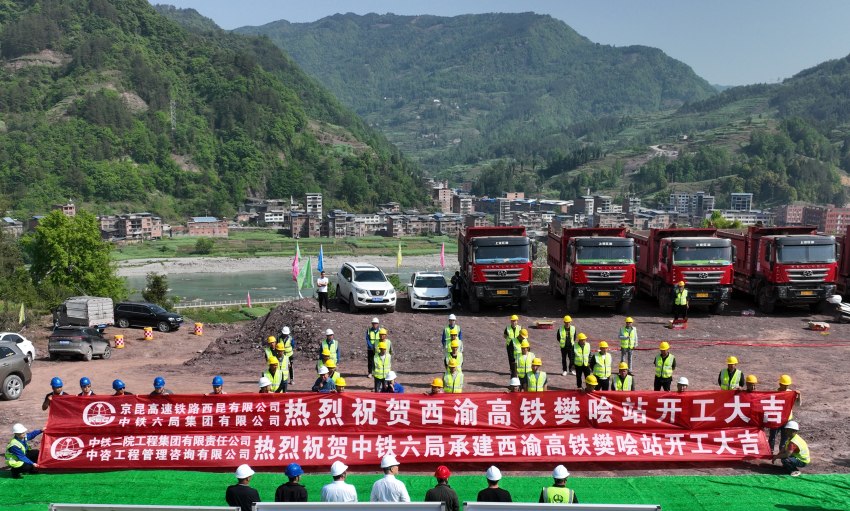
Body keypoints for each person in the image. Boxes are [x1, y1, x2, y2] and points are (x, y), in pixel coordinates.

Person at [770, 375, 802, 452]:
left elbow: (798, 405)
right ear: (780, 384)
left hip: (787, 420)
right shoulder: (774, 393)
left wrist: (799, 396)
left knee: (784, 439)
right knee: (772, 437)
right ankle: (770, 452)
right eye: (784, 385)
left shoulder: (790, 393)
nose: (785, 387)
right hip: (776, 419)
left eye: (786, 385)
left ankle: (782, 454)